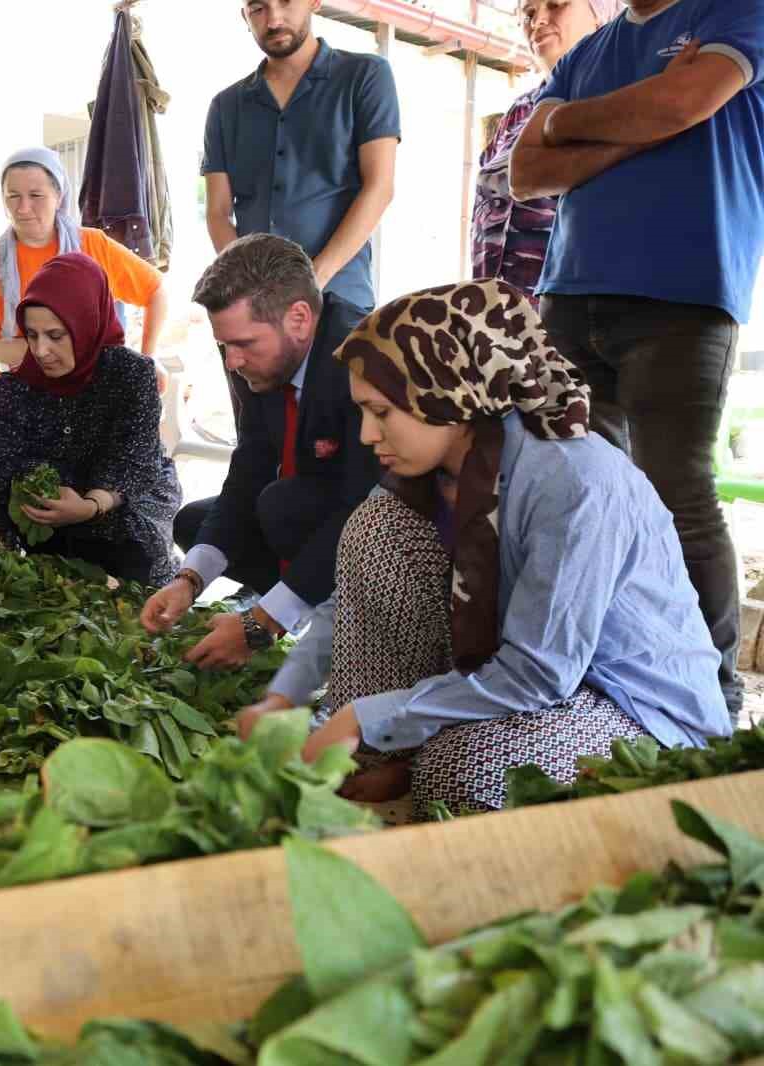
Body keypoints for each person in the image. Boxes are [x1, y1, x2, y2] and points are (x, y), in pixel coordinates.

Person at [235, 280, 731, 817]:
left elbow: (541, 672)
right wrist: (285, 696)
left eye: (382, 411)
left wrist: (364, 718)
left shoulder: (574, 480)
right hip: (527, 690)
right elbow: (351, 605)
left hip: (633, 707)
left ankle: (418, 761)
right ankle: (388, 760)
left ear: (449, 392)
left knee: (460, 772)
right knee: (374, 531)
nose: (366, 436)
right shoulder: (432, 475)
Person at [508, 0, 764, 722]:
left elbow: (685, 101)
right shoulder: (589, 54)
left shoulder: (737, 9)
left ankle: (712, 698)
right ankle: (589, 675)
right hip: (572, 295)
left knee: (677, 498)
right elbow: (527, 171)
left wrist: (569, 121)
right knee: (569, 496)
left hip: (686, 293)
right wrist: (642, 123)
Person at [141, 235, 377, 665]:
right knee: (197, 523)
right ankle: (294, 600)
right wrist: (189, 580)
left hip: (374, 529)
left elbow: (361, 513)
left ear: (300, 319)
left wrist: (262, 623)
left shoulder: (361, 362)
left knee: (281, 504)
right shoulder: (266, 362)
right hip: (311, 508)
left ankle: (334, 620)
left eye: (244, 344)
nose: (231, 362)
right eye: (223, 345)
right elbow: (247, 470)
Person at [0, 254, 182, 586]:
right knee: (47, 579)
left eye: (55, 335)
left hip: (125, 503)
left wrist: (91, 505)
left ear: (86, 325)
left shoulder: (131, 375)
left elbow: (133, 461)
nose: (40, 350)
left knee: (135, 568)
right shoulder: (14, 388)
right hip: (49, 514)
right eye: (32, 335)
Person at [202, 0, 400, 312]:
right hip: (256, 312)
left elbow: (380, 187)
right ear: (245, 16)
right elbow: (217, 212)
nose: (273, 19)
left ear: (314, 2)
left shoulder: (365, 76)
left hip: (340, 300)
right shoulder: (225, 107)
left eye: (285, 2)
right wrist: (247, 289)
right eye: (258, 9)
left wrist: (313, 280)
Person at [0, 147, 168, 388]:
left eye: (36, 195)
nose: (22, 208)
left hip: (97, 383)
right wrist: (55, 352)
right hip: (27, 384)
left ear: (58, 196)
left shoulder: (93, 245)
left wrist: (147, 358)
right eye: (13, 196)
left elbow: (156, 291)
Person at [471, 0, 622, 298]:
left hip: (574, 312)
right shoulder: (519, 111)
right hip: (495, 315)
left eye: (556, 4)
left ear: (599, 16)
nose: (538, 20)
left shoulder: (618, 98)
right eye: (528, 13)